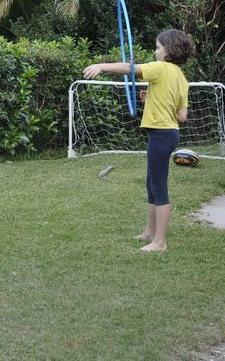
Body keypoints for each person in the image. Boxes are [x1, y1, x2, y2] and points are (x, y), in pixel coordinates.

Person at [83, 29, 195, 251]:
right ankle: (149, 232)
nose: (155, 52)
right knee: (151, 184)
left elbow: (130, 69)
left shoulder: (161, 68)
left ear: (169, 50)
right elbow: (182, 116)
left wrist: (102, 66)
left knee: (159, 187)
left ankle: (160, 242)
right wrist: (152, 100)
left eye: (157, 47)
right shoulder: (181, 78)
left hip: (161, 134)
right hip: (169, 132)